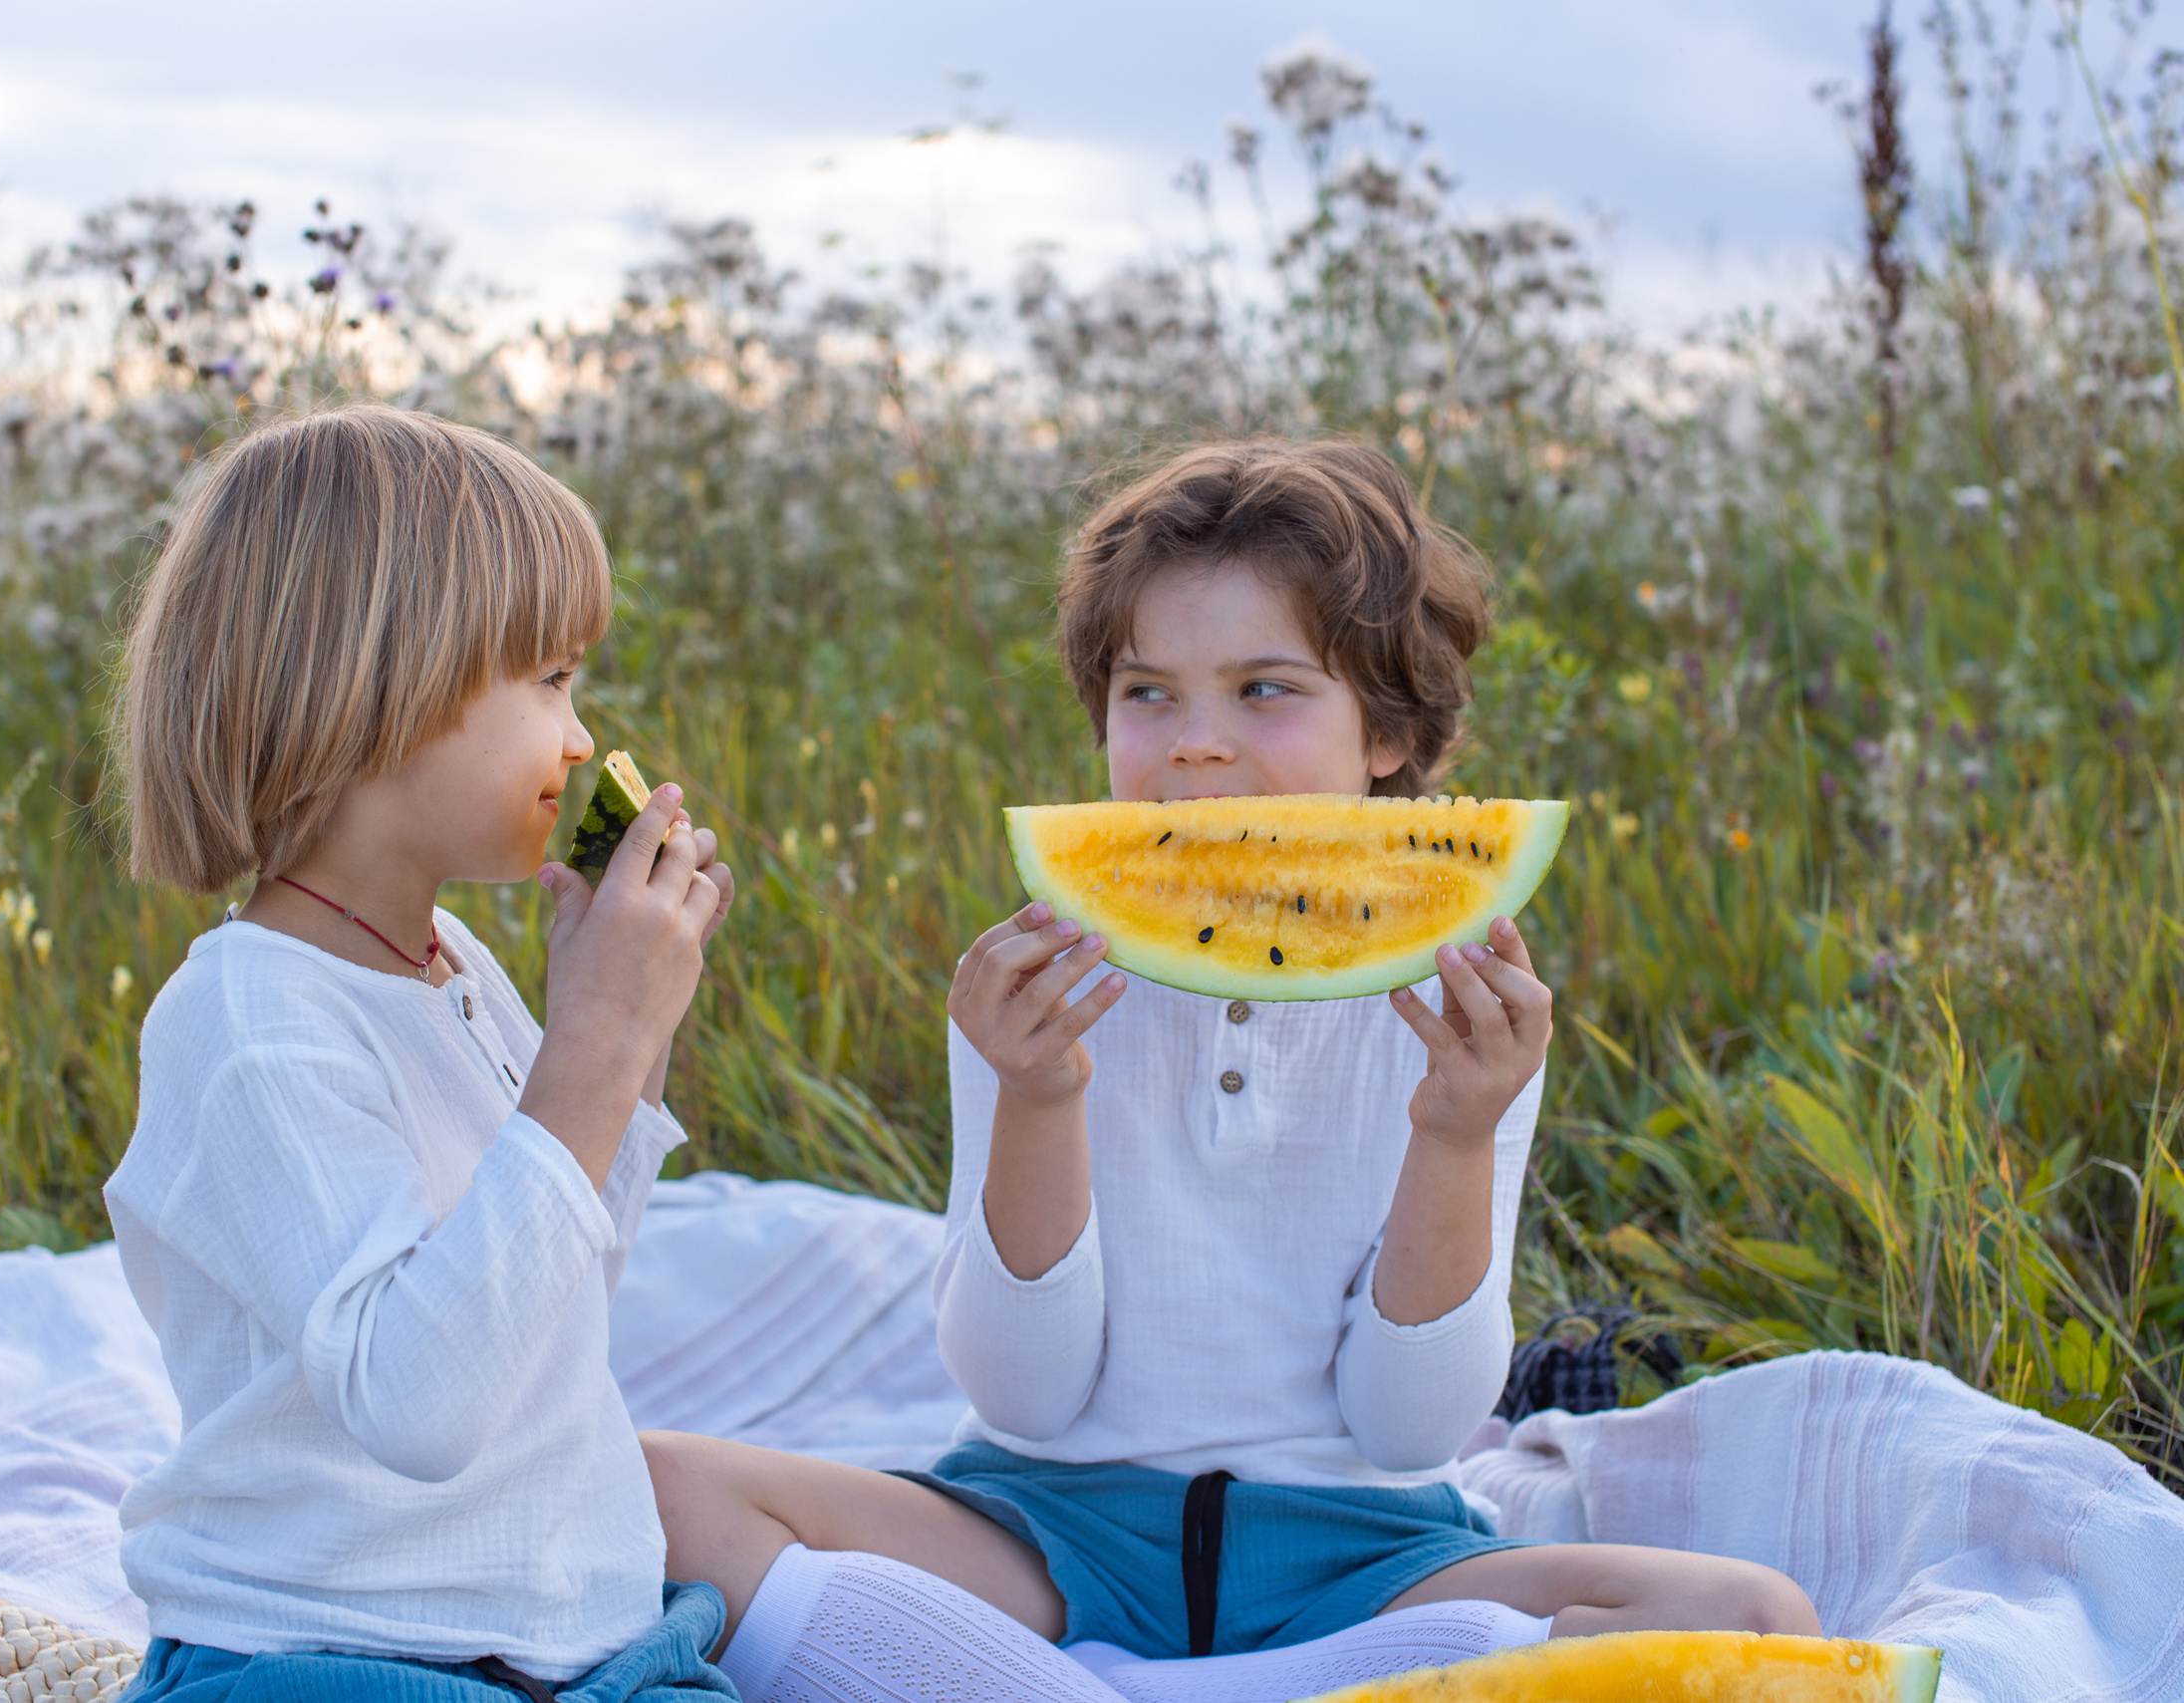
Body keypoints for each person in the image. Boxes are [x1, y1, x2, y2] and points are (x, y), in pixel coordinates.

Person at [644, 438, 1819, 1701]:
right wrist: (1038, 1095)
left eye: (1265, 688)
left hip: (1364, 1553)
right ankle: (1316, 1687)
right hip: (1047, 1530)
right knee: (659, 1490)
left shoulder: (1464, 1008)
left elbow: (1410, 1428)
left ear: (1390, 731)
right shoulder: (1032, 987)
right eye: (1147, 692)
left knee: (1754, 1618)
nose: (1196, 744)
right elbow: (1026, 1397)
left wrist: (1456, 1129)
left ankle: (1051, 1684)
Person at [101, 405, 739, 1703]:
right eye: (548, 680)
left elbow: (558, 1290)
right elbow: (418, 1403)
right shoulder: (252, 1021)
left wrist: (629, 1038)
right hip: (325, 1649)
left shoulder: (451, 961)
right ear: (379, 689)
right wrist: (591, 1044)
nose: (579, 736)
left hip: (567, 1638)